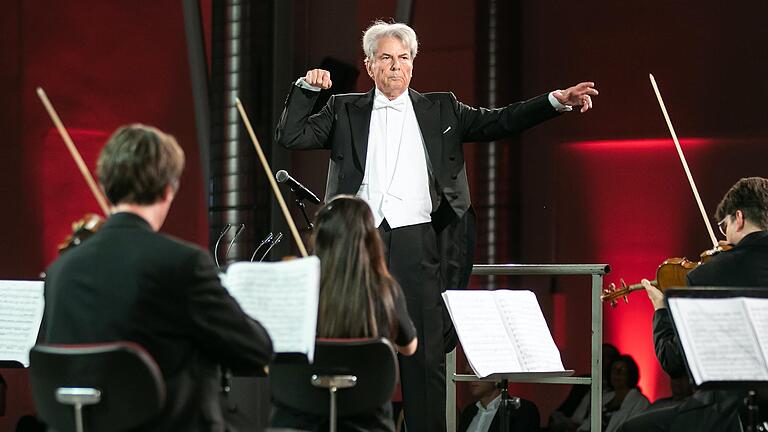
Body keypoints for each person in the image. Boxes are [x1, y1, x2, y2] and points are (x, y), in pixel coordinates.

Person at [275, 20, 598, 431]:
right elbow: (291, 134)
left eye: (404, 58)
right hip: (359, 242)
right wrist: (308, 89)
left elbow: (499, 121)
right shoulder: (343, 109)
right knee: (349, 343)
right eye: (387, 59)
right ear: (370, 65)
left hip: (418, 242)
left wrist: (555, 101)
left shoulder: (442, 108)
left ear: (413, 64)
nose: (396, 67)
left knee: (424, 360)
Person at [40, 124, 274, 431]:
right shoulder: (182, 263)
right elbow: (255, 349)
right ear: (168, 190)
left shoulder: (60, 271)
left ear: (106, 186)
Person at [621, 177, 768, 432]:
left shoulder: (709, 274)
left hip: (727, 412)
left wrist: (661, 311)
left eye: (725, 226)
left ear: (740, 218)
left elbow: (674, 362)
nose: (725, 236)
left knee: (633, 429)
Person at [270, 195, 417, 432]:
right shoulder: (385, 289)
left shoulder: (299, 285)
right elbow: (409, 348)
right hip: (367, 423)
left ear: (320, 238)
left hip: (300, 421)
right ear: (370, 240)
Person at [548, 343, 620, 431]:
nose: (602, 359)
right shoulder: (584, 381)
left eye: (607, 356)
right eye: (600, 355)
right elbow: (566, 407)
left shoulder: (618, 390)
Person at [570, 355, 649, 432]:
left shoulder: (641, 403)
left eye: (622, 369)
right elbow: (588, 422)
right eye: (614, 369)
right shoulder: (605, 397)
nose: (617, 373)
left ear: (631, 373)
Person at [458, 380, 540, 432]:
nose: (471, 378)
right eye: (468, 373)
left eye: (476, 372)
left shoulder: (521, 411)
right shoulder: (469, 411)